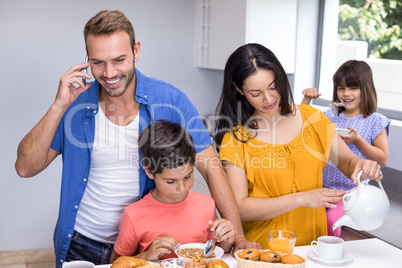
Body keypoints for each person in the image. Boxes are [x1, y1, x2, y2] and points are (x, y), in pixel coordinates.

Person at [14, 10, 258, 267]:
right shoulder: (76, 104)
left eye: (119, 59)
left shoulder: (170, 100)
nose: (109, 73)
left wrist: (238, 237)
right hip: (80, 244)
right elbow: (25, 168)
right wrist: (59, 105)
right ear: (88, 59)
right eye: (98, 62)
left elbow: (211, 169)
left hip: (144, 247)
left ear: (136, 51)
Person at [214, 43, 384, 248]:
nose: (268, 99)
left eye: (272, 87)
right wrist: (301, 199)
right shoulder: (236, 139)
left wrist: (362, 165)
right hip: (264, 250)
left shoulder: (312, 118)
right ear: (239, 89)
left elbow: (348, 161)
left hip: (312, 247)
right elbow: (240, 207)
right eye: (255, 93)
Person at [109, 120, 235, 262]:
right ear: (150, 172)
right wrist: (146, 255)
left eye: (187, 176)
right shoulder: (134, 215)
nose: (182, 188)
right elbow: (115, 263)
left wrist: (228, 239)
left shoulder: (207, 204)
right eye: (171, 181)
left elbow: (213, 253)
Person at [301, 60, 390, 237]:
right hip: (322, 187)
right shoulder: (329, 117)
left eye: (353, 88)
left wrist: (358, 140)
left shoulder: (375, 120)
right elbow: (302, 124)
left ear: (366, 89)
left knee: (332, 220)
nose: (345, 93)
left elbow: (382, 159)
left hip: (351, 191)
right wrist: (307, 99)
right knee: (305, 219)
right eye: (341, 88)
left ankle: (331, 252)